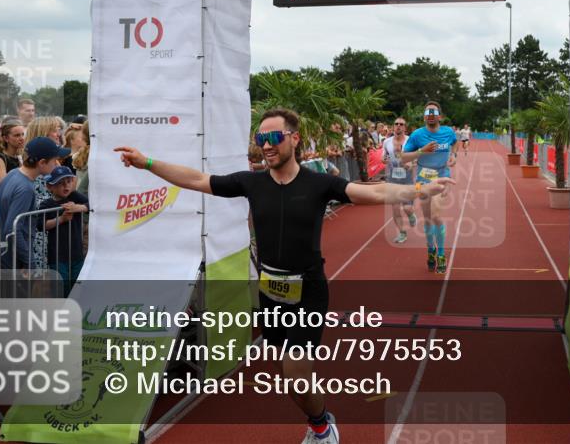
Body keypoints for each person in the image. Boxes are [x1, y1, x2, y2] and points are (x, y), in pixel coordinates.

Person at [114, 108, 453, 444]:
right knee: (289, 374)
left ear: (294, 138)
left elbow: (375, 192)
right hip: (271, 293)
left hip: (308, 292)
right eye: (261, 139)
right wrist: (148, 163)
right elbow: (197, 180)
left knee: (295, 376)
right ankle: (317, 421)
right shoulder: (251, 182)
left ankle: (323, 425)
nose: (266, 145)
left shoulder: (320, 184)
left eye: (274, 137)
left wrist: (420, 192)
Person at [0, 138, 69, 271]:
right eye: (54, 160)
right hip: (8, 258)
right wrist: (29, 261)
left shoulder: (12, 174)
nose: (57, 165)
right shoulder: (25, 188)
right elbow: (13, 230)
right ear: (42, 162)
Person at [400, 101, 459, 274]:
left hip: (442, 177)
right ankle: (430, 249)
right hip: (423, 180)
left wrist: (454, 155)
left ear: (439, 116)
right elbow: (403, 158)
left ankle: (440, 253)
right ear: (425, 116)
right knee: (427, 219)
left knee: (436, 215)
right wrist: (421, 151)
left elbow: (455, 143)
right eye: (428, 113)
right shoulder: (417, 135)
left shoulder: (448, 132)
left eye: (434, 113)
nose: (431, 116)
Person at [39, 166, 88, 291]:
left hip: (77, 253)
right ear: (50, 186)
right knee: (62, 286)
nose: (66, 186)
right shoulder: (46, 204)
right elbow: (41, 225)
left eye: (68, 181)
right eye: (60, 183)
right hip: (57, 256)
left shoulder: (75, 197)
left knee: (78, 286)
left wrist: (78, 207)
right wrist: (61, 219)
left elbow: (92, 204)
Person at [382, 118, 416, 243]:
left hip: (408, 179)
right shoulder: (386, 142)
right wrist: (384, 159)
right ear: (393, 126)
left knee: (407, 208)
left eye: (401, 124)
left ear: (405, 128)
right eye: (396, 124)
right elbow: (383, 156)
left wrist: (410, 165)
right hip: (393, 179)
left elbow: (416, 158)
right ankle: (402, 233)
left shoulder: (410, 141)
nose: (398, 126)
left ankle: (411, 215)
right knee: (395, 208)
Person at [25, 117, 64, 207]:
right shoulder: (28, 164)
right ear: (43, 133)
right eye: (55, 131)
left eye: (59, 130)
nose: (59, 134)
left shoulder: (55, 162)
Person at [0, 120, 26, 186]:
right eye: (17, 135)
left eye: (22, 134)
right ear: (6, 138)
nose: (22, 138)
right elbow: (3, 186)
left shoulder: (20, 157)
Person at [72, 122, 90, 196]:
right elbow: (82, 188)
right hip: (88, 201)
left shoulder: (80, 154)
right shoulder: (93, 155)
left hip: (82, 199)